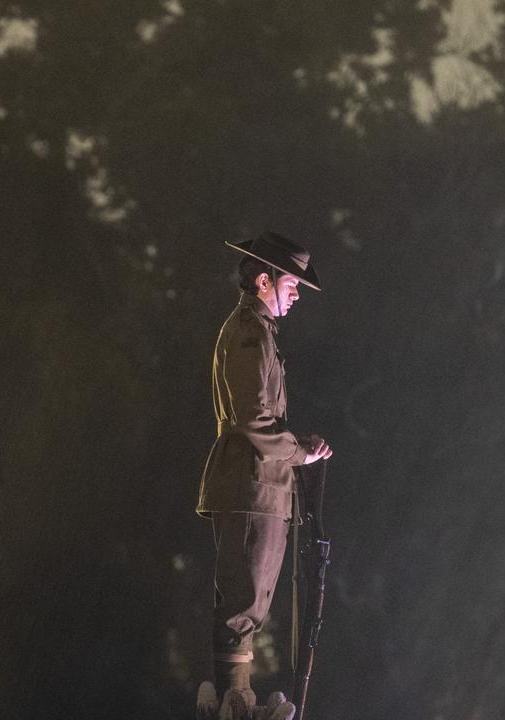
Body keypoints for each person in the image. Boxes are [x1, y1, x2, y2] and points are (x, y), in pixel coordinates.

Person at [196, 231, 332, 719]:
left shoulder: (259, 333)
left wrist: (299, 451)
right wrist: (301, 453)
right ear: (263, 281)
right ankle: (235, 701)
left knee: (252, 600)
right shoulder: (249, 334)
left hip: (262, 487)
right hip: (251, 485)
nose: (294, 294)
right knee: (244, 601)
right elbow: (253, 421)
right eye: (290, 284)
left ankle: (240, 697)